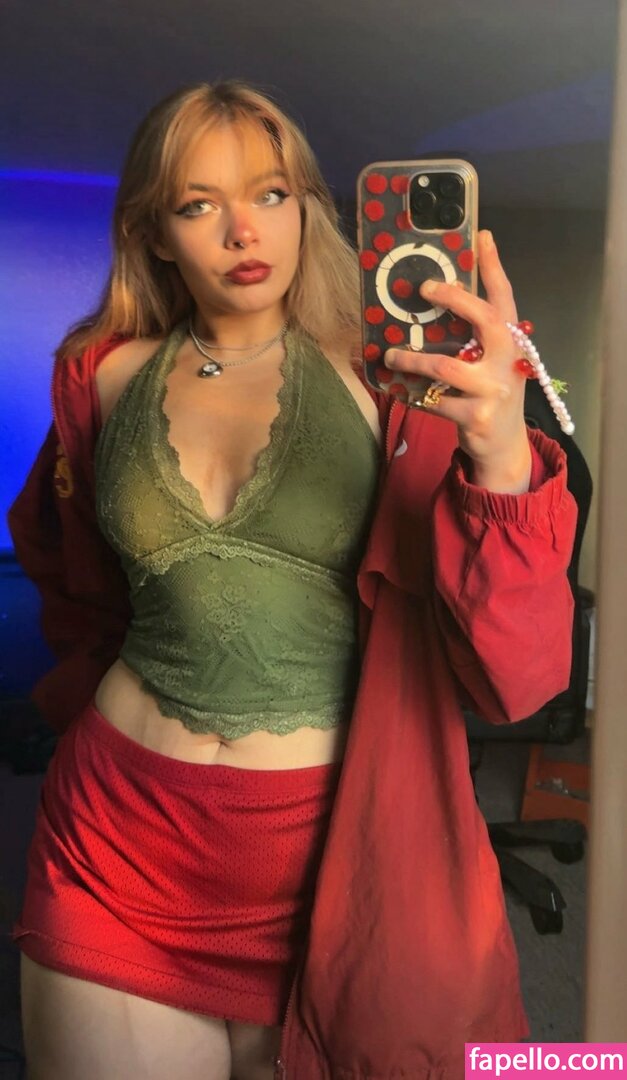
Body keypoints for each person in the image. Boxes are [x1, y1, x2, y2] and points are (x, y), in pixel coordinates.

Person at [9, 80, 577, 1080]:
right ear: (154, 232)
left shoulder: (396, 385)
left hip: (333, 874)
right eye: (200, 204)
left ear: (308, 206)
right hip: (114, 845)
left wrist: (498, 455)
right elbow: (74, 583)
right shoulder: (100, 376)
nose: (243, 231)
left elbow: (518, 677)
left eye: (270, 194)